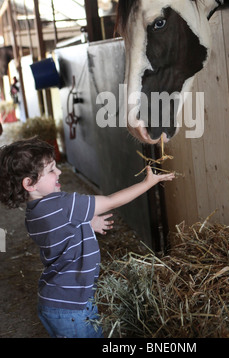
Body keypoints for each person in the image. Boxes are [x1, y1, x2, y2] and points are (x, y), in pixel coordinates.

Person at [0, 137, 174, 338]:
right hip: (72, 307)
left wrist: (88, 223)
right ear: (29, 183)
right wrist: (147, 183)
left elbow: (60, 233)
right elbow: (110, 201)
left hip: (59, 303)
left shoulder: (35, 212)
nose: (59, 172)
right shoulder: (62, 204)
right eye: (50, 170)